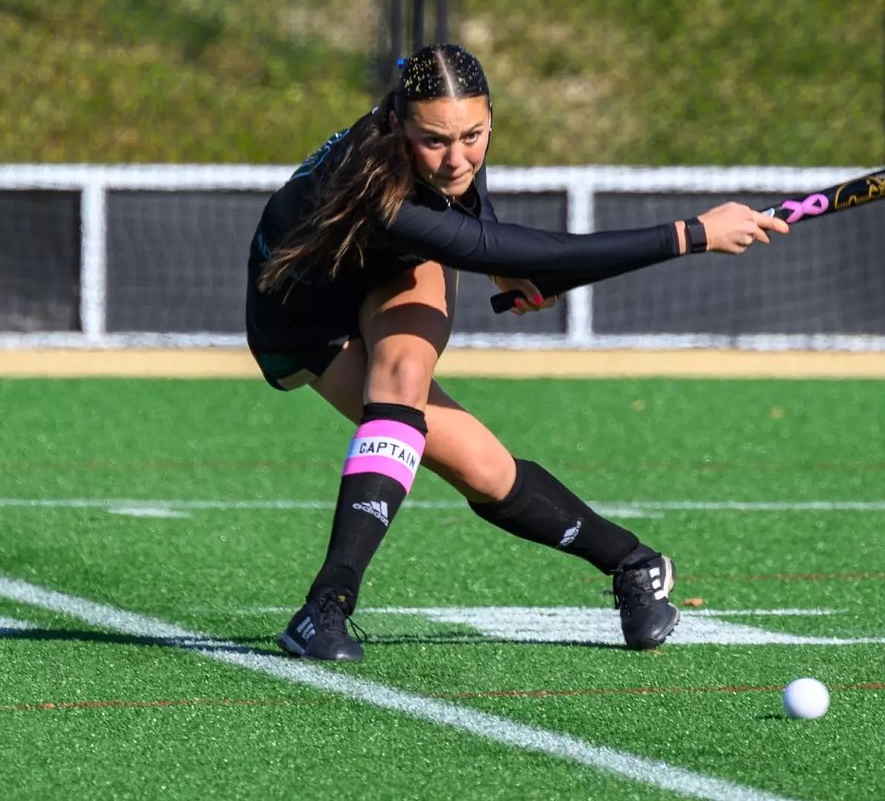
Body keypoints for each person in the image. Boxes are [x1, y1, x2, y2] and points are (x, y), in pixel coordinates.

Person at [247, 43, 788, 662]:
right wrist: (692, 234)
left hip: (389, 272)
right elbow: (503, 244)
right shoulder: (383, 191)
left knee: (403, 383)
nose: (457, 158)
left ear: (489, 118)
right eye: (435, 141)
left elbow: (469, 205)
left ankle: (328, 607)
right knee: (479, 467)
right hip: (300, 316)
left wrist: (500, 264)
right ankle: (624, 559)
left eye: (474, 135)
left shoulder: (439, 150)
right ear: (397, 124)